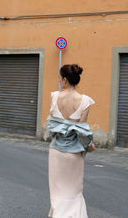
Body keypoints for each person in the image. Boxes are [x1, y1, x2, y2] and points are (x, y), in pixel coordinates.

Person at [47, 64, 95, 218]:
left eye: (60, 79)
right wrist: (89, 145)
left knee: (57, 193)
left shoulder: (54, 96)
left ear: (65, 80)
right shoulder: (85, 101)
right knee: (74, 193)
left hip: (56, 152)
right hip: (74, 154)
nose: (60, 81)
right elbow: (82, 131)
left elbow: (51, 126)